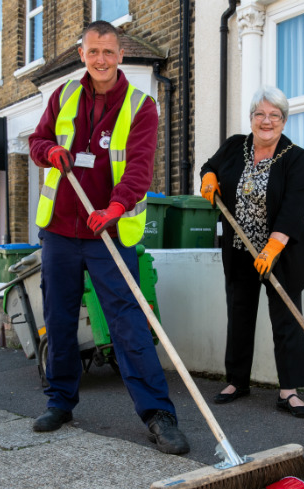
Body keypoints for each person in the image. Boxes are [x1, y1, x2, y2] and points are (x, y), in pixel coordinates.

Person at [27, 20, 189, 454]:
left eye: (109, 52)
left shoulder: (142, 105)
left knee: (128, 323)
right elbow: (37, 140)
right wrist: (50, 152)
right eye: (93, 52)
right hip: (60, 229)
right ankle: (60, 402)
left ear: (121, 55)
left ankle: (158, 414)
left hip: (109, 234)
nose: (101, 60)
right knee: (59, 320)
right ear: (83, 54)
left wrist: (115, 209)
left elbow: (139, 168)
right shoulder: (63, 96)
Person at [199, 86, 304, 418]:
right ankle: (237, 380)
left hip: (281, 252)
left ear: (283, 120)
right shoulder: (237, 146)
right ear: (251, 118)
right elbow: (210, 165)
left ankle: (289, 391)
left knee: (286, 318)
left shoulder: (295, 157)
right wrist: (208, 177)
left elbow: (293, 209)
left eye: (274, 115)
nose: (267, 121)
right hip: (238, 249)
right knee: (239, 313)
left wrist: (272, 248)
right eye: (260, 114)